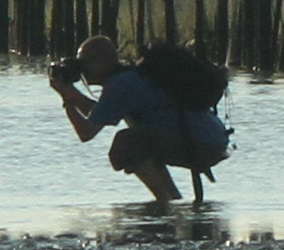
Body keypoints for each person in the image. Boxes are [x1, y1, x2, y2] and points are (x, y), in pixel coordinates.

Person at [51, 32, 232, 206]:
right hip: (210, 138)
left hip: (201, 142)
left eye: (86, 62)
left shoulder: (121, 85)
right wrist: (70, 94)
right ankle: (173, 199)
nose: (82, 69)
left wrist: (67, 98)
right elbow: (98, 113)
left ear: (104, 60)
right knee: (140, 142)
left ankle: (165, 200)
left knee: (127, 143)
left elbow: (86, 132)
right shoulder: (128, 78)